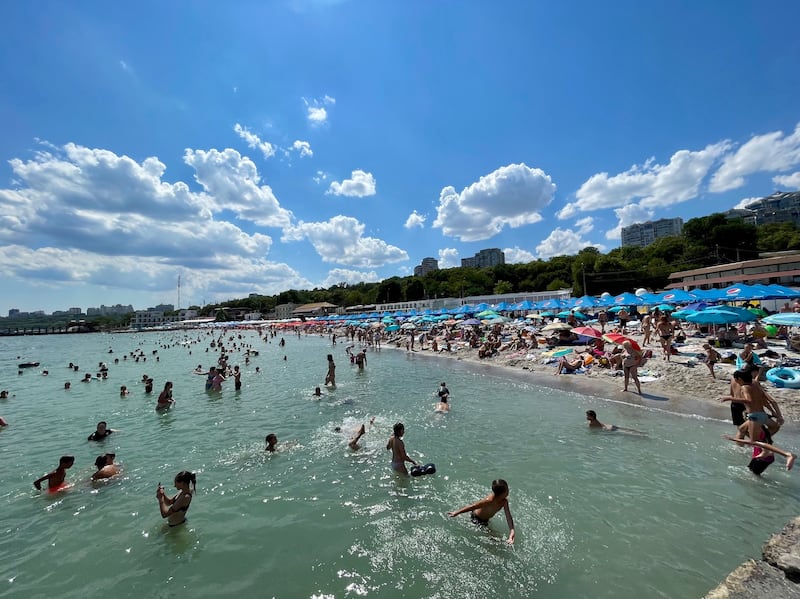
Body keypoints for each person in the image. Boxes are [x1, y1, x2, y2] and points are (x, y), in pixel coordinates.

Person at [447, 479, 516, 545]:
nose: (508, 491)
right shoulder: (489, 501)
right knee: (495, 539)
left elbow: (508, 516)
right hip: (476, 519)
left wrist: (512, 531)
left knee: (495, 538)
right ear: (501, 494)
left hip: (486, 520)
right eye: (507, 490)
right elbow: (472, 506)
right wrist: (457, 512)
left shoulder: (504, 501)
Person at [723, 435, 796, 475]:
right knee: (749, 471)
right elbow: (753, 442)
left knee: (754, 475)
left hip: (763, 459)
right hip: (760, 456)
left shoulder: (759, 431)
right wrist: (734, 439)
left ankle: (786, 454)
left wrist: (734, 439)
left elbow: (756, 443)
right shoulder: (759, 432)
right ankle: (785, 454)